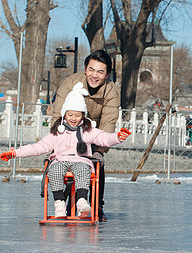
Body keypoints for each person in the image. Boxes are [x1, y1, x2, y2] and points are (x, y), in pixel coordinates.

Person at [0, 82, 131, 218]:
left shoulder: (88, 130)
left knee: (83, 169)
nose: (73, 119)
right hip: (60, 159)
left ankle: (81, 202)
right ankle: (59, 203)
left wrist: (118, 137)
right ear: (64, 115)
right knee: (54, 170)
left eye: (77, 115)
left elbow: (103, 138)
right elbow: (38, 147)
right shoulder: (57, 132)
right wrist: (15, 152)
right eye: (70, 115)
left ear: (83, 115)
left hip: (81, 160)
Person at [52, 49, 120, 222]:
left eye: (100, 71)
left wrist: (100, 150)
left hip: (93, 130)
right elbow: (57, 114)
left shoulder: (110, 91)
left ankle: (97, 205)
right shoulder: (70, 83)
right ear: (85, 69)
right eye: (91, 69)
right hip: (68, 127)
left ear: (107, 74)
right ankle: (65, 202)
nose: (94, 75)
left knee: (97, 164)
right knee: (64, 162)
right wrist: (57, 141)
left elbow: (109, 121)